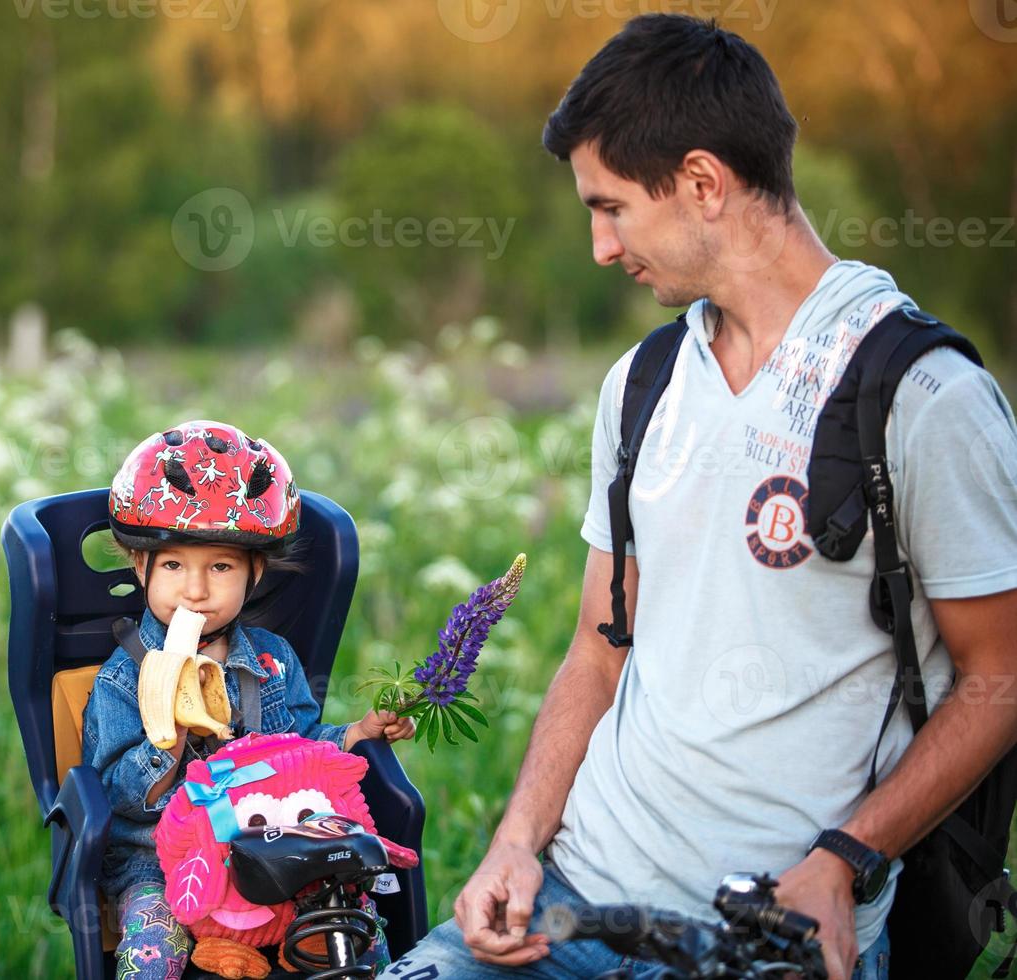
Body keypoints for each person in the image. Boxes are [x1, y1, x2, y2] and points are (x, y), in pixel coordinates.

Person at [383, 15, 1017, 980]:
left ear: (704, 184)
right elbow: (599, 648)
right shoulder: (641, 385)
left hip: (771, 936)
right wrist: (517, 840)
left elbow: (998, 681)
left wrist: (844, 863)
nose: (599, 246)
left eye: (612, 209)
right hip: (573, 901)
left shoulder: (926, 398)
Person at [83, 419, 417, 979]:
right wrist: (170, 737)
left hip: (269, 845)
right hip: (159, 863)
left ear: (254, 571)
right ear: (140, 567)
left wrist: (355, 735)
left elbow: (301, 750)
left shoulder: (271, 660)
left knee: (355, 924)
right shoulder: (121, 679)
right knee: (152, 949)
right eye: (173, 565)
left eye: (220, 566)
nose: (195, 589)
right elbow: (117, 798)